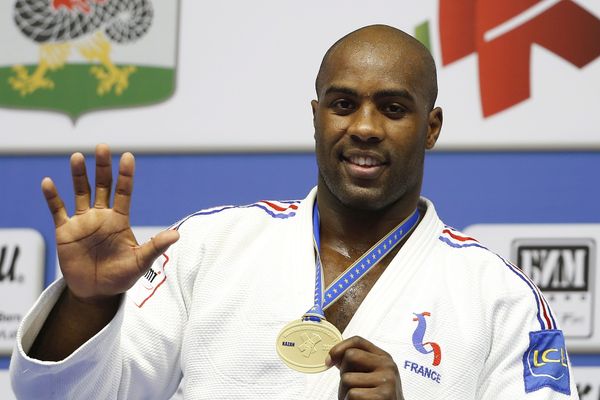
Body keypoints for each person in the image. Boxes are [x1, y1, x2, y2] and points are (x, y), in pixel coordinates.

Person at [10, 25, 578, 399]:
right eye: (343, 103)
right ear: (316, 116)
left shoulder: (500, 298)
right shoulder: (209, 247)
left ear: (431, 128)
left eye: (394, 108)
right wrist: (87, 304)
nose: (363, 126)